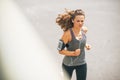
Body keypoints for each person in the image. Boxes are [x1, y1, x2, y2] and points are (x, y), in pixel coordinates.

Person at [56, 9, 91, 80]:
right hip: (68, 64)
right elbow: (60, 50)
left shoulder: (84, 30)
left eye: (82, 21)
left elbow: (80, 42)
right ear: (72, 20)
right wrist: (73, 53)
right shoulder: (67, 34)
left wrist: (86, 45)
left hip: (81, 63)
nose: (80, 23)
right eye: (78, 21)